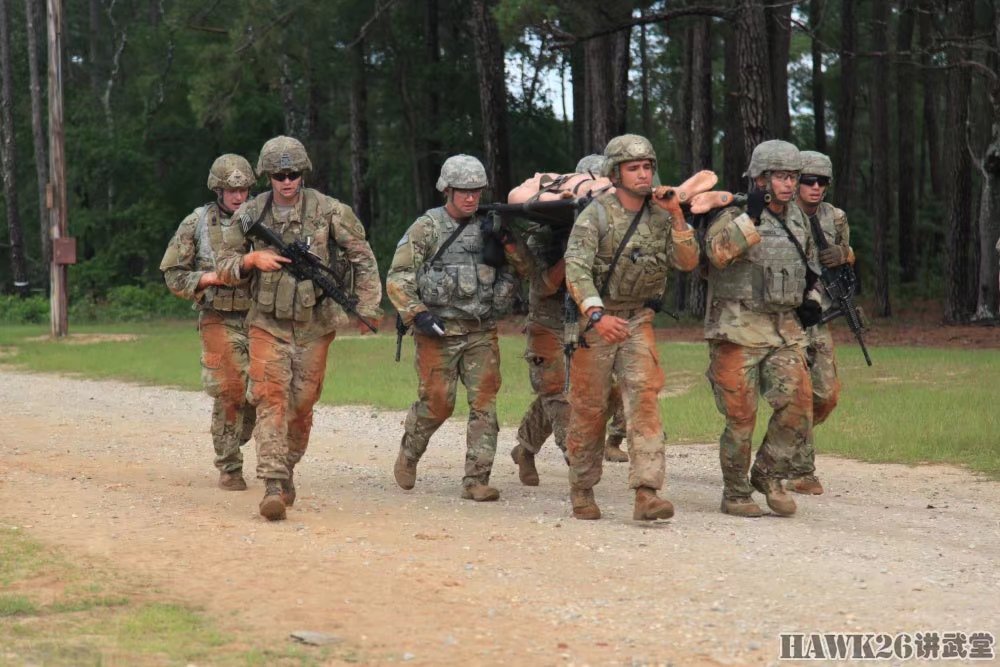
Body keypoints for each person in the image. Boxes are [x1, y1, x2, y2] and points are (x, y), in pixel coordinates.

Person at [215, 136, 382, 521]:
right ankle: (272, 483)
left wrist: (367, 307)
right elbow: (224, 261)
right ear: (268, 176)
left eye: (292, 174)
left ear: (302, 174)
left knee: (302, 405)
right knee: (270, 398)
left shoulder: (329, 211)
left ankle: (286, 468)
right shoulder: (251, 212)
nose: (286, 182)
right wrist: (252, 259)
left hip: (315, 326)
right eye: (278, 175)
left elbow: (362, 257)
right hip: (267, 324)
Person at [563, 134, 700, 521]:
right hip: (597, 324)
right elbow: (576, 269)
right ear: (615, 173)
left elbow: (688, 262)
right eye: (633, 168)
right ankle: (583, 487)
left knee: (644, 402)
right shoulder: (597, 215)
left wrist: (677, 216)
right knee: (589, 409)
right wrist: (596, 315)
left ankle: (647, 492)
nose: (643, 175)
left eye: (647, 167)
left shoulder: (661, 216)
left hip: (638, 320)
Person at [387, 155, 534, 501]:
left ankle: (476, 479)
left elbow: (526, 268)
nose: (471, 198)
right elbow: (398, 277)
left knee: (485, 404)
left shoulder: (492, 225)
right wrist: (418, 314)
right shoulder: (427, 228)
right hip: (437, 331)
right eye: (463, 192)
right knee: (438, 403)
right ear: (447, 191)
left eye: (476, 192)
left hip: (480, 330)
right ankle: (410, 452)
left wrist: (505, 242)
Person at [703, 139, 820, 518]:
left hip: (784, 329)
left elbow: (811, 266)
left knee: (800, 404)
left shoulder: (798, 217)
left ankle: (768, 474)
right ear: (760, 178)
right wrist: (748, 221)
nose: (789, 184)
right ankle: (735, 492)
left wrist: (812, 300)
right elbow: (716, 256)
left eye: (793, 176)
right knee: (741, 417)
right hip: (737, 329)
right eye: (781, 176)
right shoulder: (732, 213)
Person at [510, 154, 628, 487]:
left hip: (586, 325)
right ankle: (578, 464)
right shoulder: (544, 236)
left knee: (588, 393)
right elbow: (540, 284)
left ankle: (525, 447)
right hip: (548, 324)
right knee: (557, 395)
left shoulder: (611, 235)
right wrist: (572, 257)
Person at [160, 154, 257, 491]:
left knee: (259, 392)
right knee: (229, 390)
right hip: (218, 316)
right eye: (232, 190)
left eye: (244, 189)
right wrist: (211, 278)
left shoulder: (261, 219)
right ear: (218, 190)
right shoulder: (197, 223)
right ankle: (230, 467)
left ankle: (237, 435)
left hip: (260, 318)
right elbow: (173, 275)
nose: (239, 196)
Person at [789, 150, 855, 495]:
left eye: (822, 182)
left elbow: (849, 253)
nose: (815, 188)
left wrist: (842, 254)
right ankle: (802, 469)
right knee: (798, 392)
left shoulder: (835, 217)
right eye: (808, 181)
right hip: (789, 315)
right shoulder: (783, 215)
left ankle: (784, 438)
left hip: (822, 315)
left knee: (826, 394)